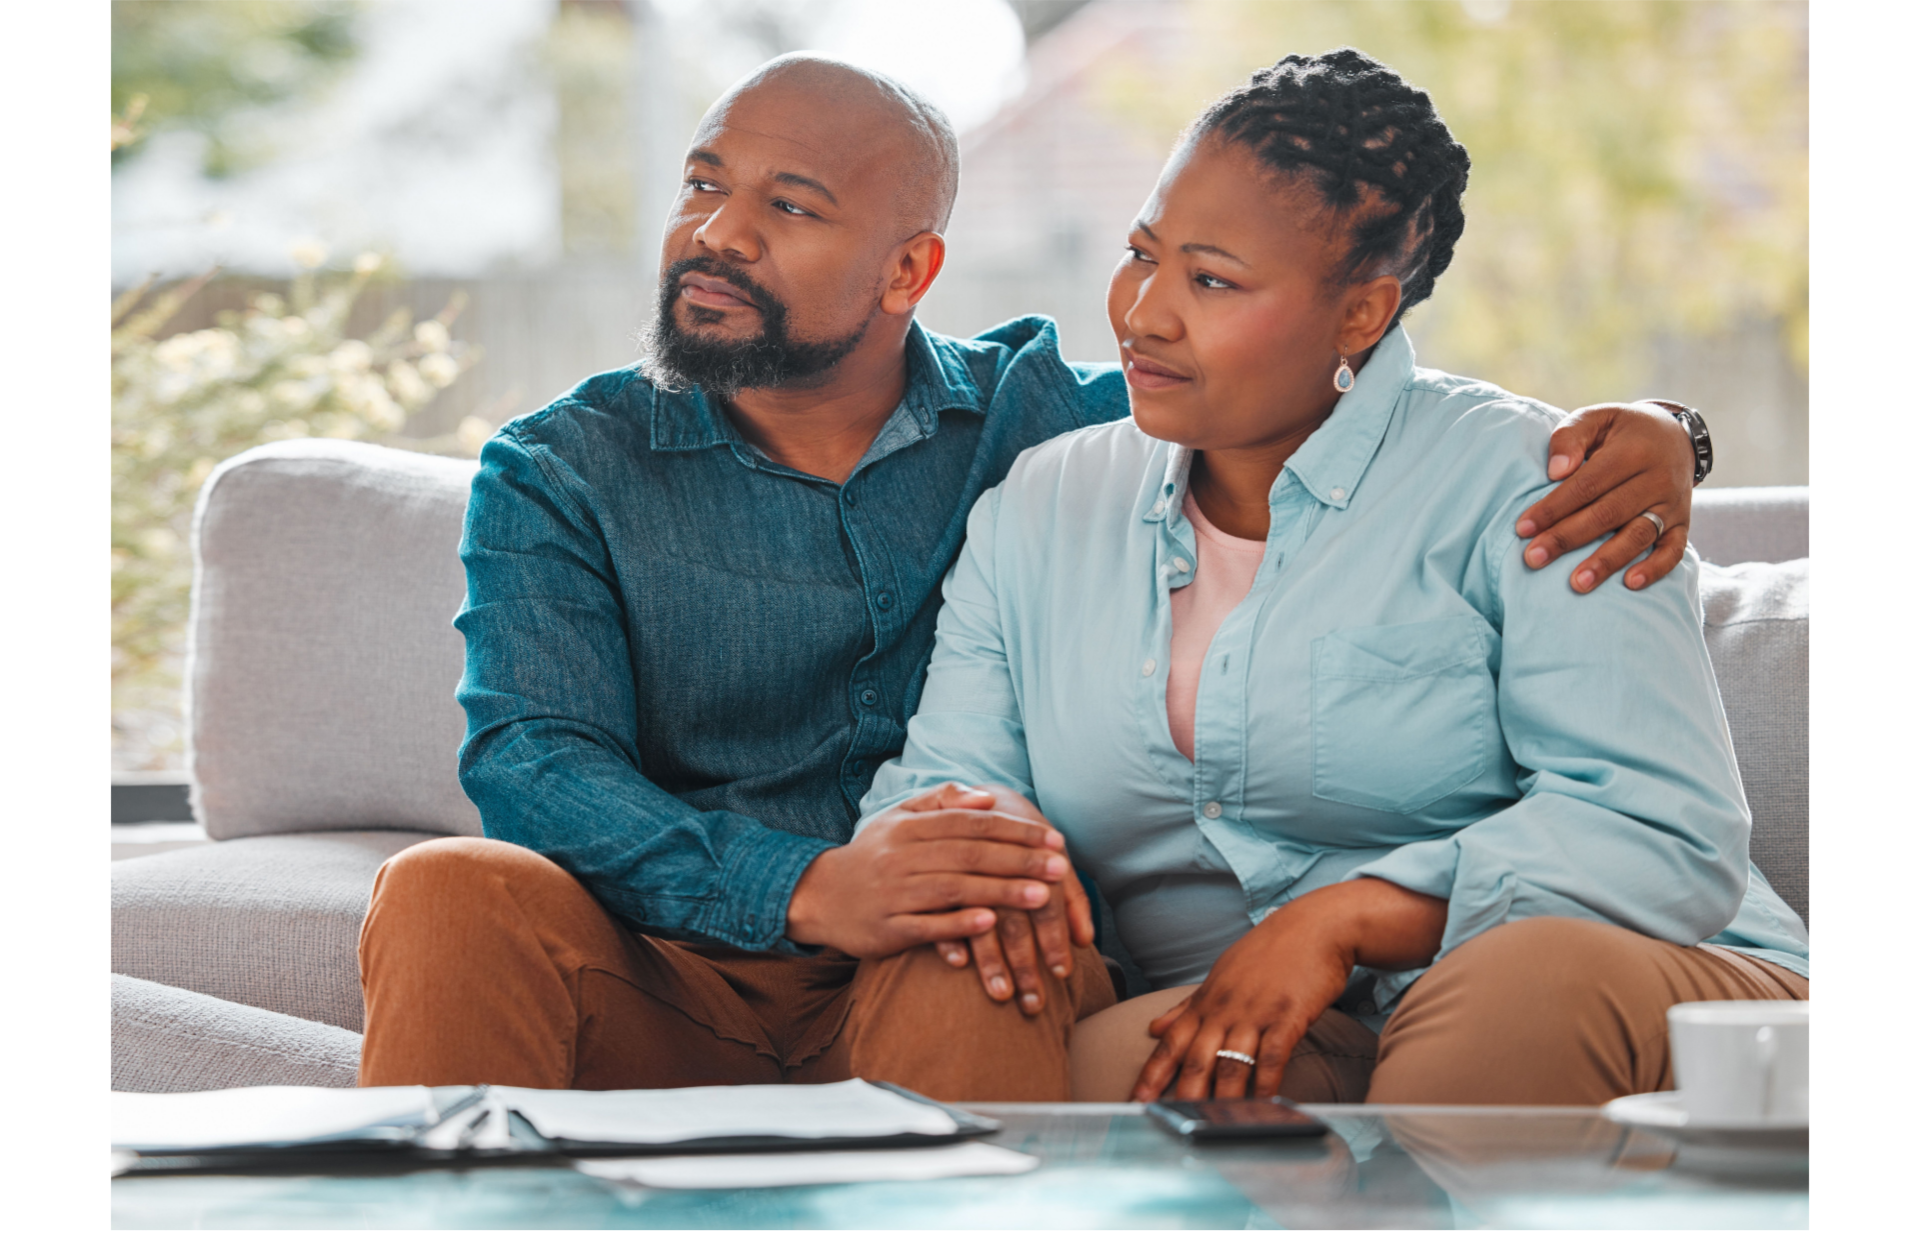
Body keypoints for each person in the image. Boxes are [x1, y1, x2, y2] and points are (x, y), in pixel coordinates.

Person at [357, 54, 1715, 1100]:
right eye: (704, 186)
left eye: (787, 206)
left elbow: (1309, 376)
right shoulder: (562, 466)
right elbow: (533, 761)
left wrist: (1665, 434)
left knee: (977, 919)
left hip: (954, 970)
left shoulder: (1045, 433)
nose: (717, 233)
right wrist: (807, 885)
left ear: (910, 270)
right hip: (678, 957)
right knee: (444, 889)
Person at [858, 49, 1809, 1104]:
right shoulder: (1042, 507)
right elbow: (947, 779)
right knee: (1108, 1062)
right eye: (1143, 253)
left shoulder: (1544, 484)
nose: (1145, 311)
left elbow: (1660, 828)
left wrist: (1351, 912)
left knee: (1508, 992)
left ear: (1362, 313)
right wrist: (991, 852)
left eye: (1212, 279)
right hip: (1267, 1014)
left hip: (1627, 984)